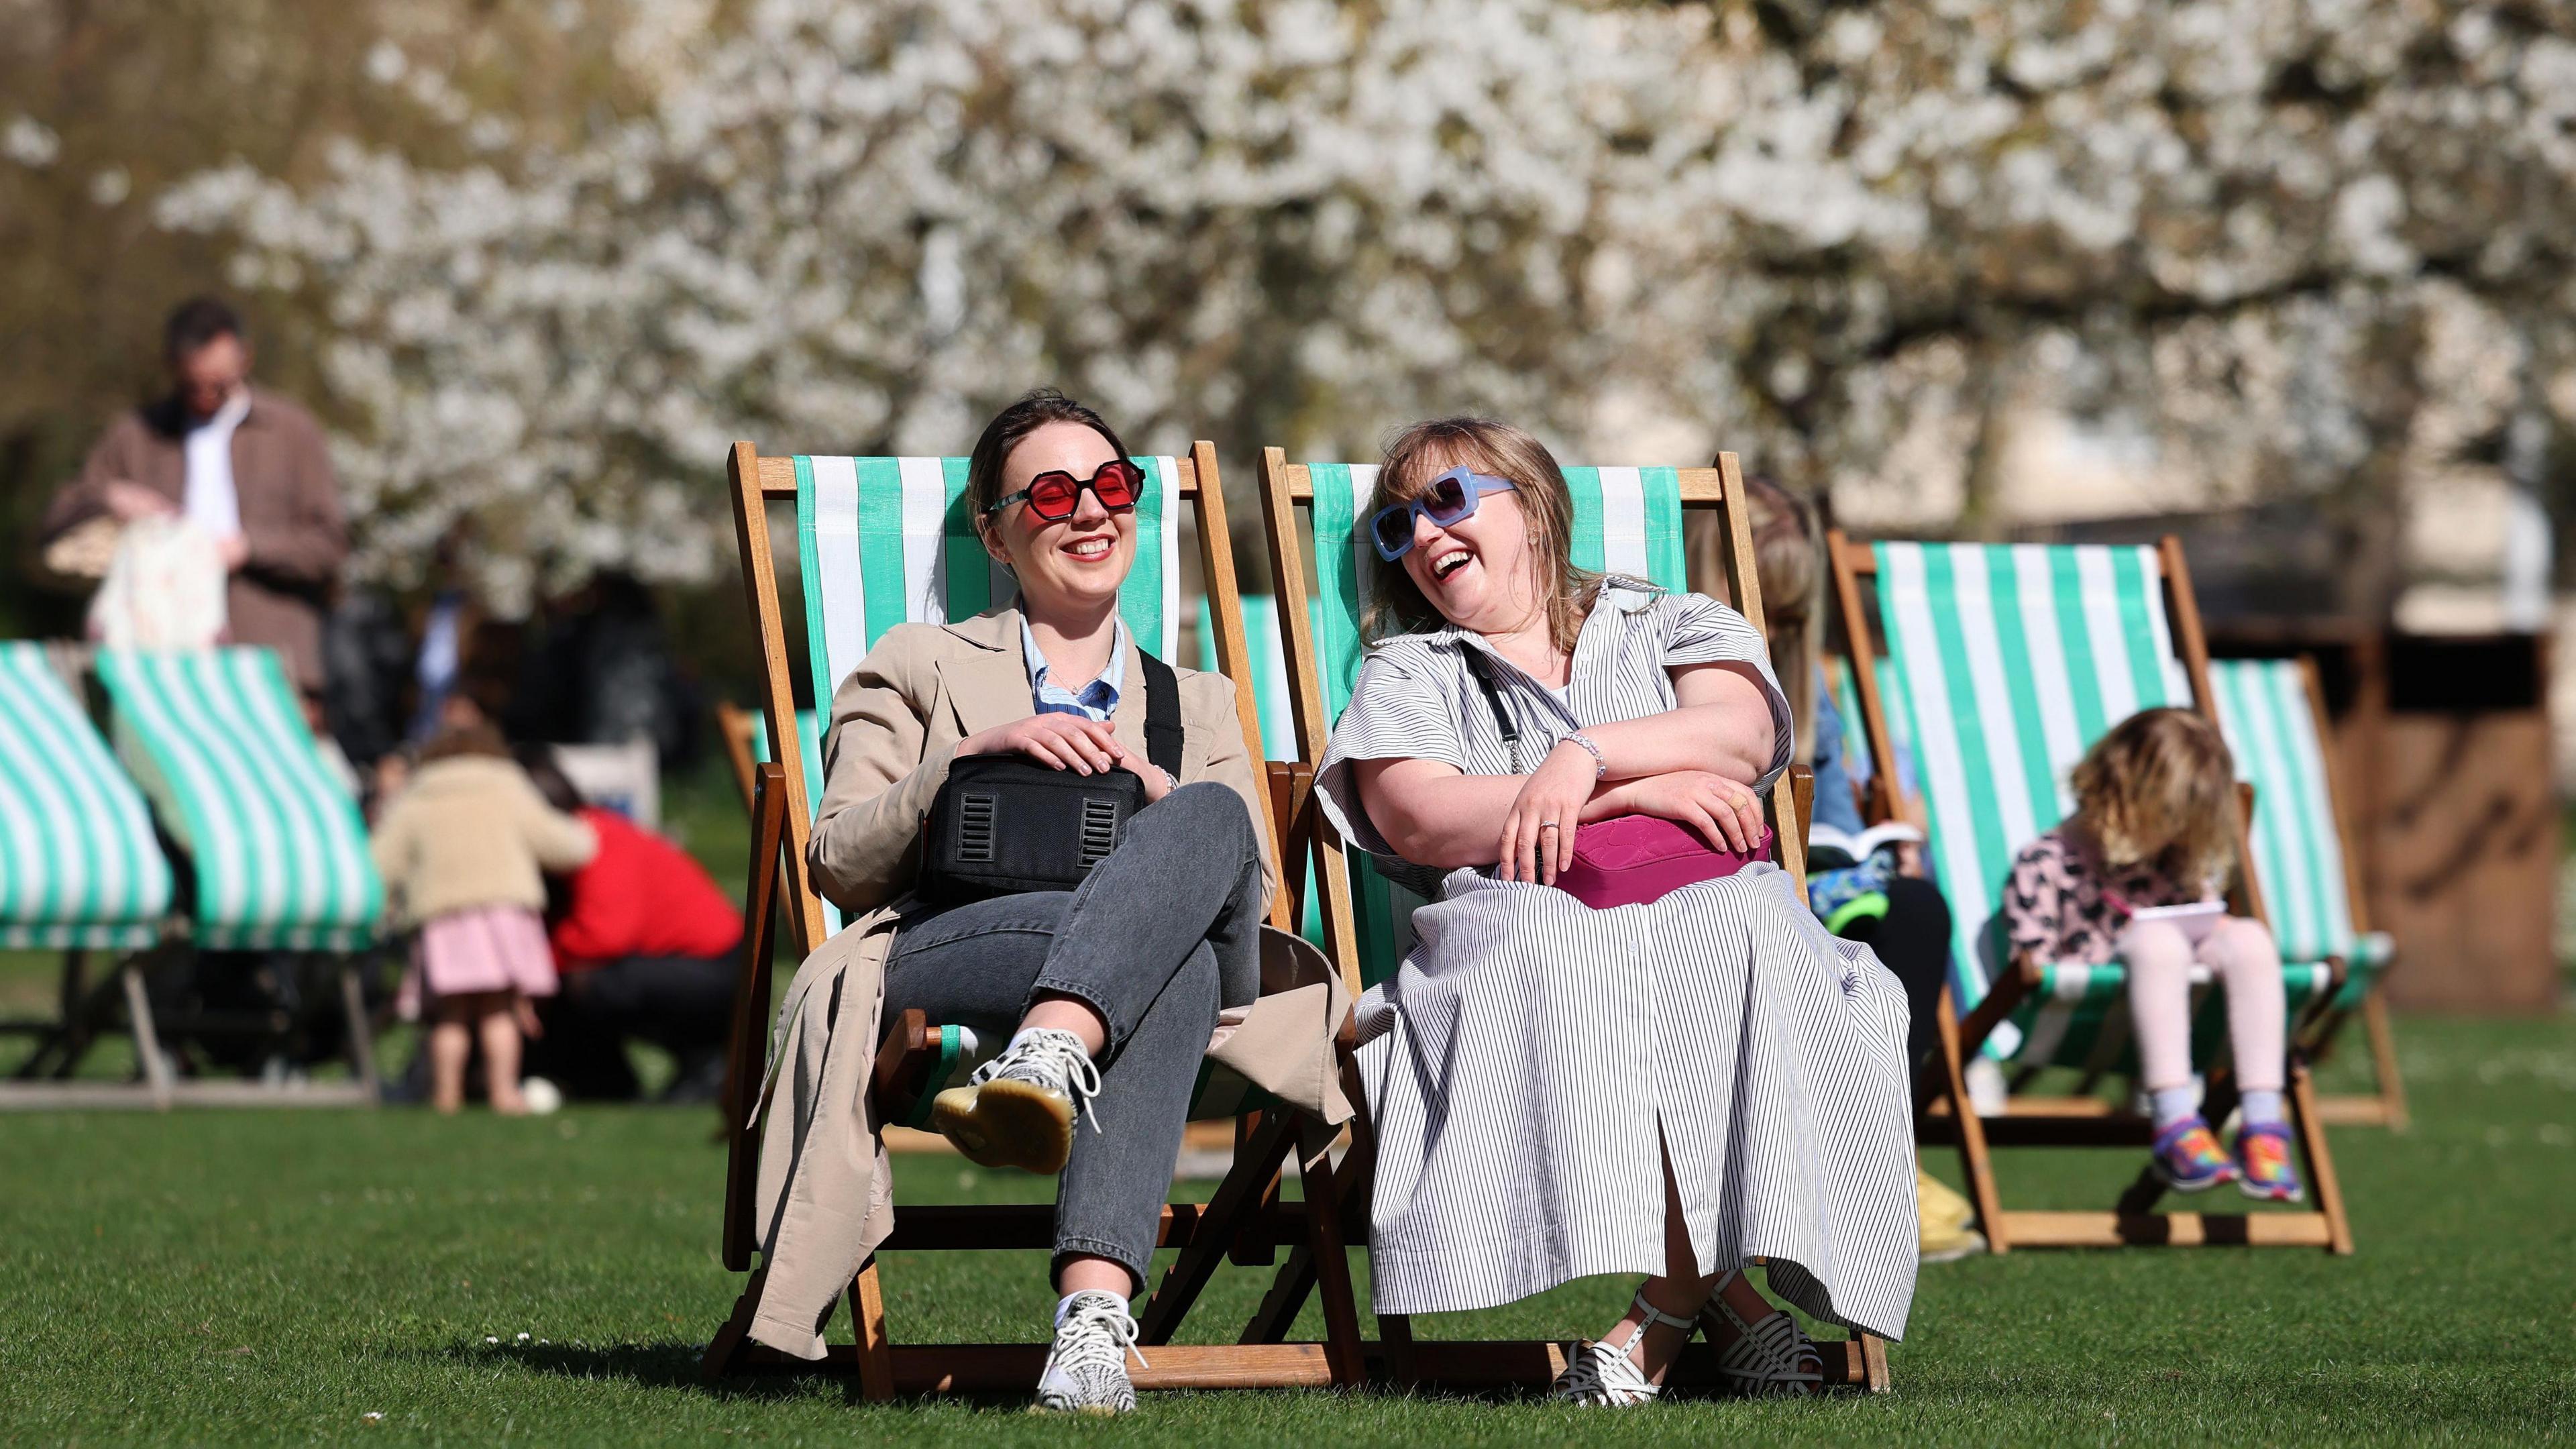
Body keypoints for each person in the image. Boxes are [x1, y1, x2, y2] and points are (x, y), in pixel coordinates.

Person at [1314, 418, 1916, 1406]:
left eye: (1448, 501)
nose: (1423, 535)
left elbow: (1740, 735)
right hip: (1523, 921)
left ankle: (1661, 1316)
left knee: (1743, 932)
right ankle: (1721, 1309)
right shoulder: (1413, 671)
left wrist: (1580, 751)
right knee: (1572, 946)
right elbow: (1420, 817)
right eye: (1396, 526)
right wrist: (1632, 792)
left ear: (1537, 509)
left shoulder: (1671, 619)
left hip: (1710, 899)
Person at [743, 390, 1297, 1415]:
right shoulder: (921, 662)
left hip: (1187, 972)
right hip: (957, 948)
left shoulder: (1199, 700)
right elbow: (836, 860)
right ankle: (1091, 1332)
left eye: (1114, 485)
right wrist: (965, 759)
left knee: (1208, 823)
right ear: (996, 532)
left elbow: (1252, 906)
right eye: (1051, 491)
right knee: (1159, 967)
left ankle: (1053, 1048)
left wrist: (1166, 805)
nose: (1091, 511)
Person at [1690, 478, 1982, 1262]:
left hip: (1809, 877)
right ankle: (1854, 1175)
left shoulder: (1804, 679)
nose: (1776, 629)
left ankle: (1879, 1161)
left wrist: (1886, 843)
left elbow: (1845, 824)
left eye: (1790, 616)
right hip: (1711, 883)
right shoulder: (1654, 664)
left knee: (1914, 907)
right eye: (1764, 610)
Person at [2001, 707, 2303, 1201]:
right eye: (2166, 816)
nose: (2173, 832)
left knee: (2248, 937)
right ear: (2120, 791)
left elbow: (2206, 928)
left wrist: (2220, 928)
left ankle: (2264, 1124)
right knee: (2158, 941)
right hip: (2089, 1018)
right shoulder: (2047, 864)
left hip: (2179, 1015)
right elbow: (2031, 971)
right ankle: (2173, 1122)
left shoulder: (2172, 861)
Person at [41, 297, 348, 695]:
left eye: (219, 386)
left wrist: (249, 549)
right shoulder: (139, 435)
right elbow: (58, 517)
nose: (205, 397)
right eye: (192, 387)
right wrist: (111, 498)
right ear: (173, 366)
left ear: (245, 359)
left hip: (271, 663)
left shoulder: (291, 433)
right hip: (160, 668)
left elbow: (330, 545)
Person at [370, 723, 598, 1114]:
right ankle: (504, 1093)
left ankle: (446, 1094)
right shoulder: (507, 786)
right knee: (500, 1010)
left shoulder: (418, 796)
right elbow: (562, 843)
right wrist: (587, 833)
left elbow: (379, 863)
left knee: (450, 1015)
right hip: (505, 915)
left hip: (443, 919)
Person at [517, 748, 744, 1102]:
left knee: (591, 984)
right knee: (578, 983)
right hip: (682, 967)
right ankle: (605, 1083)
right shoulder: (589, 835)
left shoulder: (600, 838)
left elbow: (605, 937)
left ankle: (703, 1064)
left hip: (718, 973)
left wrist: (536, 968)